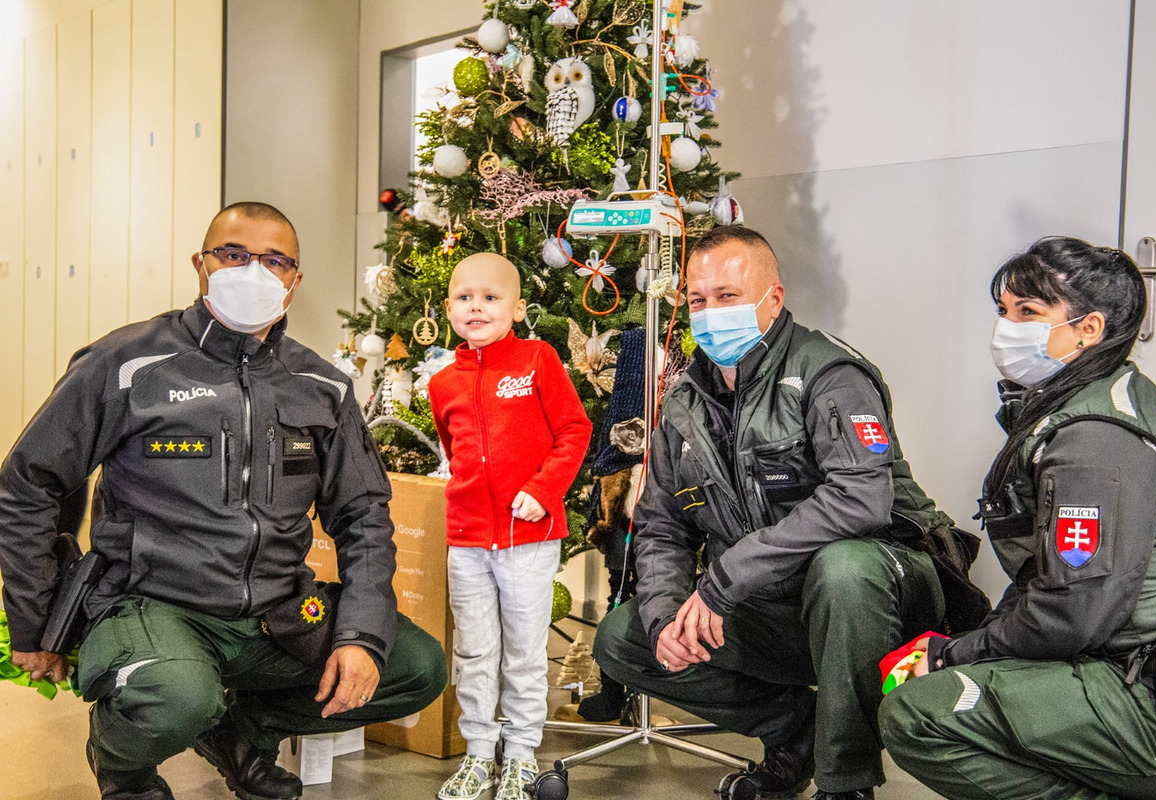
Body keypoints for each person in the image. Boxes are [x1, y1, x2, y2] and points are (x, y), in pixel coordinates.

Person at [0, 202, 448, 800]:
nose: (253, 272)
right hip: (152, 606)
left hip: (276, 612)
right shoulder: (128, 362)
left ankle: (239, 732)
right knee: (174, 697)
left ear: (294, 280)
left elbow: (363, 515)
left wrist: (361, 636)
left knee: (415, 666)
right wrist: (35, 623)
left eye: (274, 261)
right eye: (234, 255)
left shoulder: (321, 387)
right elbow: (27, 484)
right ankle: (125, 771)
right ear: (201, 265)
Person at [594, 226, 965, 800]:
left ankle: (845, 782)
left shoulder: (829, 374)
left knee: (844, 570)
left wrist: (727, 577)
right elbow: (662, 524)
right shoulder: (683, 403)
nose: (710, 312)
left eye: (728, 297)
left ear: (774, 299)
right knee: (627, 637)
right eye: (698, 299)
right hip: (768, 607)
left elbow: (862, 500)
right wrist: (668, 613)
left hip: (883, 598)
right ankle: (795, 735)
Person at [879, 237, 1156, 800]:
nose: (1006, 328)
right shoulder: (1110, 396)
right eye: (1004, 311)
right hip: (1146, 669)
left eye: (1029, 312)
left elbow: (1072, 614)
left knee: (918, 714)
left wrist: (952, 654)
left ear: (1089, 329)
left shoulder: (1096, 439)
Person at [428, 253, 591, 800]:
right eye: (464, 297)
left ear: (518, 308)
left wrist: (542, 491)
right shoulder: (444, 382)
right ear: (448, 308)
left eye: (491, 297)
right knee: (474, 653)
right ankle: (478, 754)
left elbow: (574, 430)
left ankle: (521, 754)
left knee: (523, 653)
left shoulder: (537, 360)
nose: (477, 306)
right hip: (468, 541)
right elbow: (455, 453)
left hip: (530, 539)